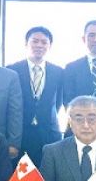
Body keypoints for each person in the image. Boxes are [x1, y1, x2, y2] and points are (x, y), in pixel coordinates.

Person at [6, 26, 63, 167]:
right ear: (26, 44)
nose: (39, 45)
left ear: (49, 46)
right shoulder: (11, 70)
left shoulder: (58, 72)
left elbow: (58, 103)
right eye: (35, 41)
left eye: (44, 42)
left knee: (47, 178)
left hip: (48, 135)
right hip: (21, 135)